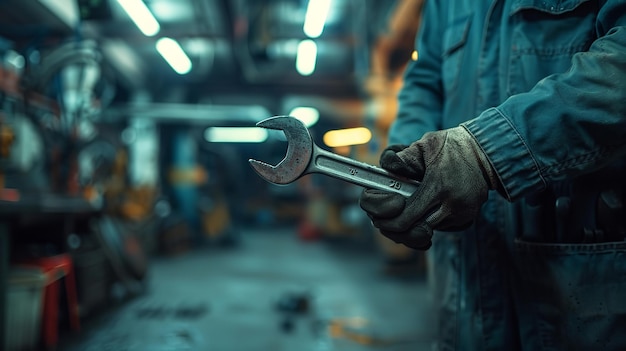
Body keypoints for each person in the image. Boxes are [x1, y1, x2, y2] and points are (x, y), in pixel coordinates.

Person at [358, 1, 626, 350]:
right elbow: (424, 81)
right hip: (465, 292)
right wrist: (408, 166)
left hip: (585, 290)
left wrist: (486, 151)